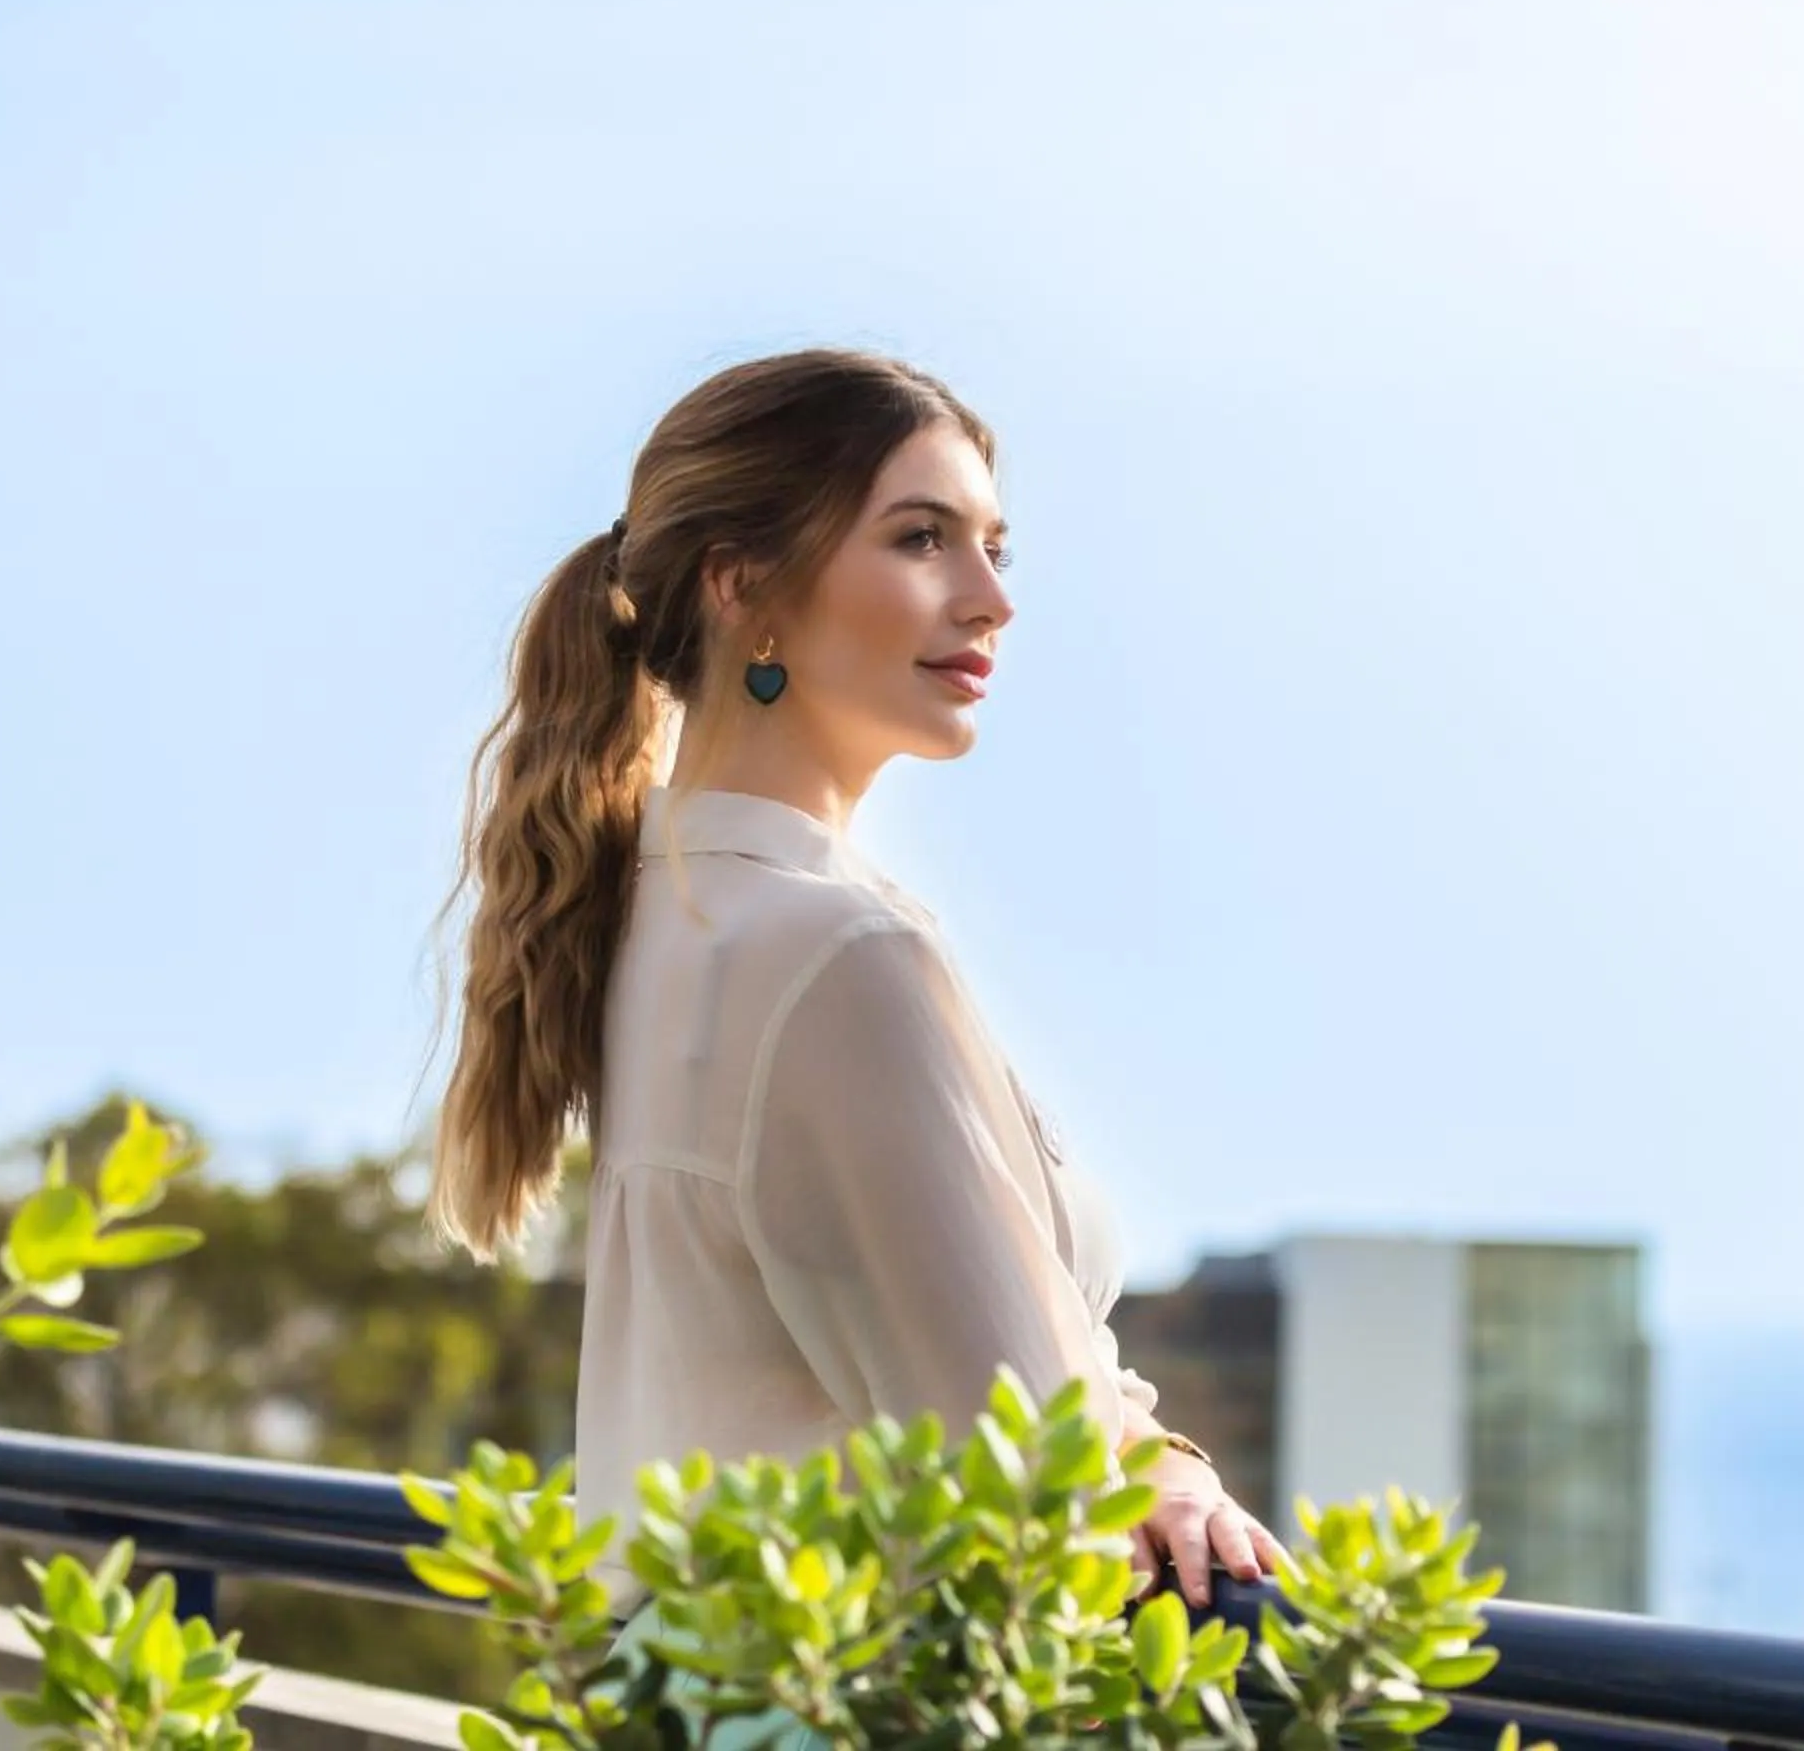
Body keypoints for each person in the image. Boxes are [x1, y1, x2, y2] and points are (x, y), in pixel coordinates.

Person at [425, 350, 1279, 1735]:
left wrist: (1159, 1454)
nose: (993, 600)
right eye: (921, 538)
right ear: (741, 583)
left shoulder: (661, 913)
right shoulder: (832, 958)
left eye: (994, 547)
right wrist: (1148, 1470)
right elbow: (1024, 1496)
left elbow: (968, 1361)